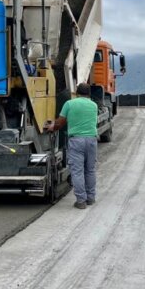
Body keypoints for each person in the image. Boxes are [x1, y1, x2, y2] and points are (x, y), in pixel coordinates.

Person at [45, 82, 98, 210]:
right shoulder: (94, 105)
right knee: (90, 170)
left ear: (77, 93)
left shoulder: (70, 104)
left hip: (76, 141)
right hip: (91, 140)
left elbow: (60, 122)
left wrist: (52, 126)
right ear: (89, 93)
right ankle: (90, 198)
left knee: (77, 171)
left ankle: (81, 201)